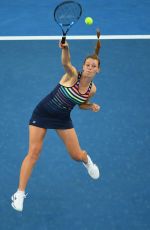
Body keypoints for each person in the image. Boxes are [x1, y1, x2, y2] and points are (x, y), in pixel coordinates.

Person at [11, 30, 101, 212]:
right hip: (42, 113)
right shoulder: (73, 75)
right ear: (83, 67)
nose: (90, 68)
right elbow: (66, 62)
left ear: (98, 70)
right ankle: (19, 193)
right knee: (34, 153)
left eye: (94, 66)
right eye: (88, 65)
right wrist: (65, 48)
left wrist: (90, 106)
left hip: (62, 118)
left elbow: (81, 104)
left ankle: (87, 160)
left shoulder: (91, 90)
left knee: (76, 156)